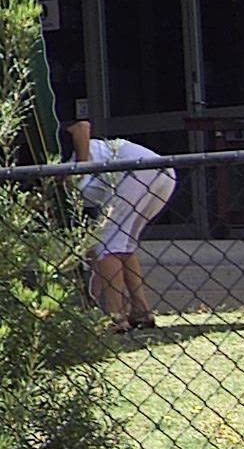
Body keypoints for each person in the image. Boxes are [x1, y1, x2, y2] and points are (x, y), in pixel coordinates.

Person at [69, 112, 177, 333]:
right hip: (160, 172)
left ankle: (115, 317)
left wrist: (79, 170)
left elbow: (82, 127)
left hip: (134, 169)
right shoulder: (68, 202)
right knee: (123, 245)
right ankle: (141, 310)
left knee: (107, 245)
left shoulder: (49, 146)